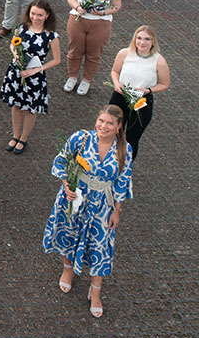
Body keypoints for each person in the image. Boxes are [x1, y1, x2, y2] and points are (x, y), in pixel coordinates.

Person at [42, 105, 133, 318]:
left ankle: (96, 291)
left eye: (110, 123)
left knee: (99, 246)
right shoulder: (80, 138)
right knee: (68, 234)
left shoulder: (125, 149)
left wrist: (117, 210)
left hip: (102, 205)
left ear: (118, 126)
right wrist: (67, 185)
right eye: (101, 121)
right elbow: (61, 160)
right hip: (75, 197)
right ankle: (68, 269)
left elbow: (123, 181)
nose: (104, 126)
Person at [0, 0, 62, 155]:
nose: (35, 17)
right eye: (33, 13)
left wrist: (37, 70)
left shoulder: (51, 36)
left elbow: (57, 60)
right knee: (15, 105)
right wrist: (16, 56)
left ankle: (23, 138)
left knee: (30, 109)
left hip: (34, 77)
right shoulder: (22, 28)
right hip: (17, 72)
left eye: (40, 15)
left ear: (47, 15)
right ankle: (15, 135)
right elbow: (13, 44)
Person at [63, 0, 122, 96]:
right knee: (74, 51)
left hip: (100, 24)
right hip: (78, 21)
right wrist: (77, 7)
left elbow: (117, 6)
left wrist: (103, 12)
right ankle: (72, 77)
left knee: (94, 54)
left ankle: (86, 80)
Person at [108, 25, 170, 159]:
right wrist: (116, 83)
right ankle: (108, 162)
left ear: (153, 41)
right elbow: (115, 71)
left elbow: (165, 84)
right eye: (139, 38)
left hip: (142, 100)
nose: (142, 42)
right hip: (120, 96)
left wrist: (149, 90)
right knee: (111, 132)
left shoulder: (159, 61)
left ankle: (125, 166)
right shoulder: (124, 53)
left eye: (147, 39)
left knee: (132, 138)